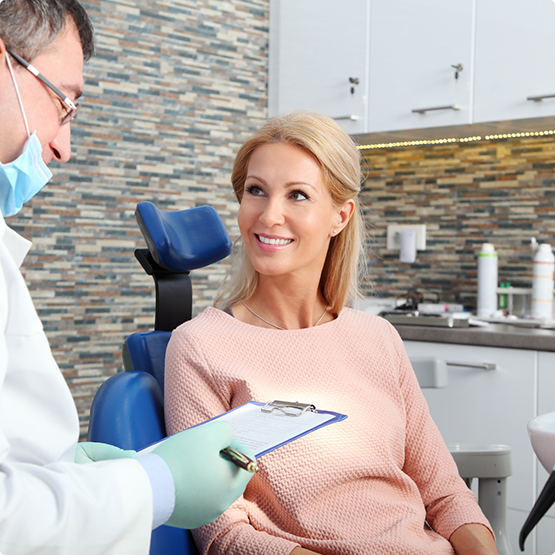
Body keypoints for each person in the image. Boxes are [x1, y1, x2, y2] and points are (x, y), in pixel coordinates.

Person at [164, 110, 499, 555]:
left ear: (340, 216)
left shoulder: (378, 338)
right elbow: (223, 532)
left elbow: (446, 494)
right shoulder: (200, 346)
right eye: (255, 191)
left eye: (297, 195)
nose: (269, 215)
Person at [0, 0, 255, 553]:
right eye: (64, 103)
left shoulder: (372, 337)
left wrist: (62, 465)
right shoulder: (203, 345)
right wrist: (155, 485)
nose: (63, 149)